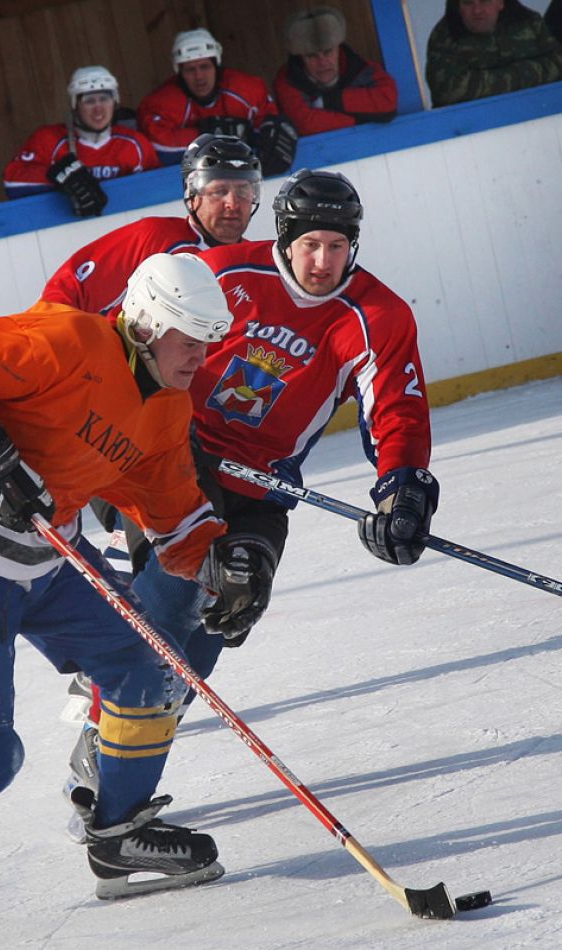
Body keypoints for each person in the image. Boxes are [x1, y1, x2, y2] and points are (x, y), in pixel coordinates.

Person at [0, 252, 276, 900]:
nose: (200, 359)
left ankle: (118, 832)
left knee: (150, 667)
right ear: (147, 325)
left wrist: (222, 568)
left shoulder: (167, 409)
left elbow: (174, 515)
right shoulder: (68, 340)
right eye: (189, 341)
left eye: (207, 343)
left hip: (46, 562)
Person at [63, 169, 439, 836]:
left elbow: (396, 409)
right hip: (168, 457)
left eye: (337, 246)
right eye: (310, 245)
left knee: (223, 618)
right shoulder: (223, 272)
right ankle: (106, 745)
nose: (323, 262)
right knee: (176, 594)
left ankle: (132, 737)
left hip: (262, 489)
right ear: (285, 239)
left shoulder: (375, 315)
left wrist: (403, 488)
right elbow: (135, 337)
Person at [42, 133, 263, 317]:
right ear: (192, 194)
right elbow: (63, 294)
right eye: (219, 191)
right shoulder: (153, 238)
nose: (232, 203)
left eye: (243, 191)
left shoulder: (257, 264)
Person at [137, 28, 297, 177]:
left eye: (204, 66)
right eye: (190, 69)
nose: (199, 76)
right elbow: (158, 149)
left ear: (216, 65)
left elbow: (268, 127)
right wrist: (208, 137)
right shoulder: (161, 104)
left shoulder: (247, 90)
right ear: (179, 73)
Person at [3, 65, 159, 217]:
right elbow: (12, 181)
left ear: (115, 102)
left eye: (104, 99)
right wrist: (57, 174)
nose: (98, 109)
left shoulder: (135, 144)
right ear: (75, 105)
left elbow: (159, 188)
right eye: (89, 101)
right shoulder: (48, 139)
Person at [273, 5, 398, 137]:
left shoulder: (362, 68)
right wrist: (362, 119)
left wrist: (329, 101)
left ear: (339, 49)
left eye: (328, 52)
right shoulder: (287, 80)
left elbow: (387, 100)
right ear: (300, 57)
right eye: (311, 56)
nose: (322, 62)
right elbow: (305, 125)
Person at [426, 0, 562, 107]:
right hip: (472, 127)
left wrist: (489, 81)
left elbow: (558, 62)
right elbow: (451, 91)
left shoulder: (529, 22)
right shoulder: (445, 37)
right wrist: (526, 74)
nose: (477, 10)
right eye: (468, 3)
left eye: (485, 1)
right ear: (458, 7)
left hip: (538, 111)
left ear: (501, 2)